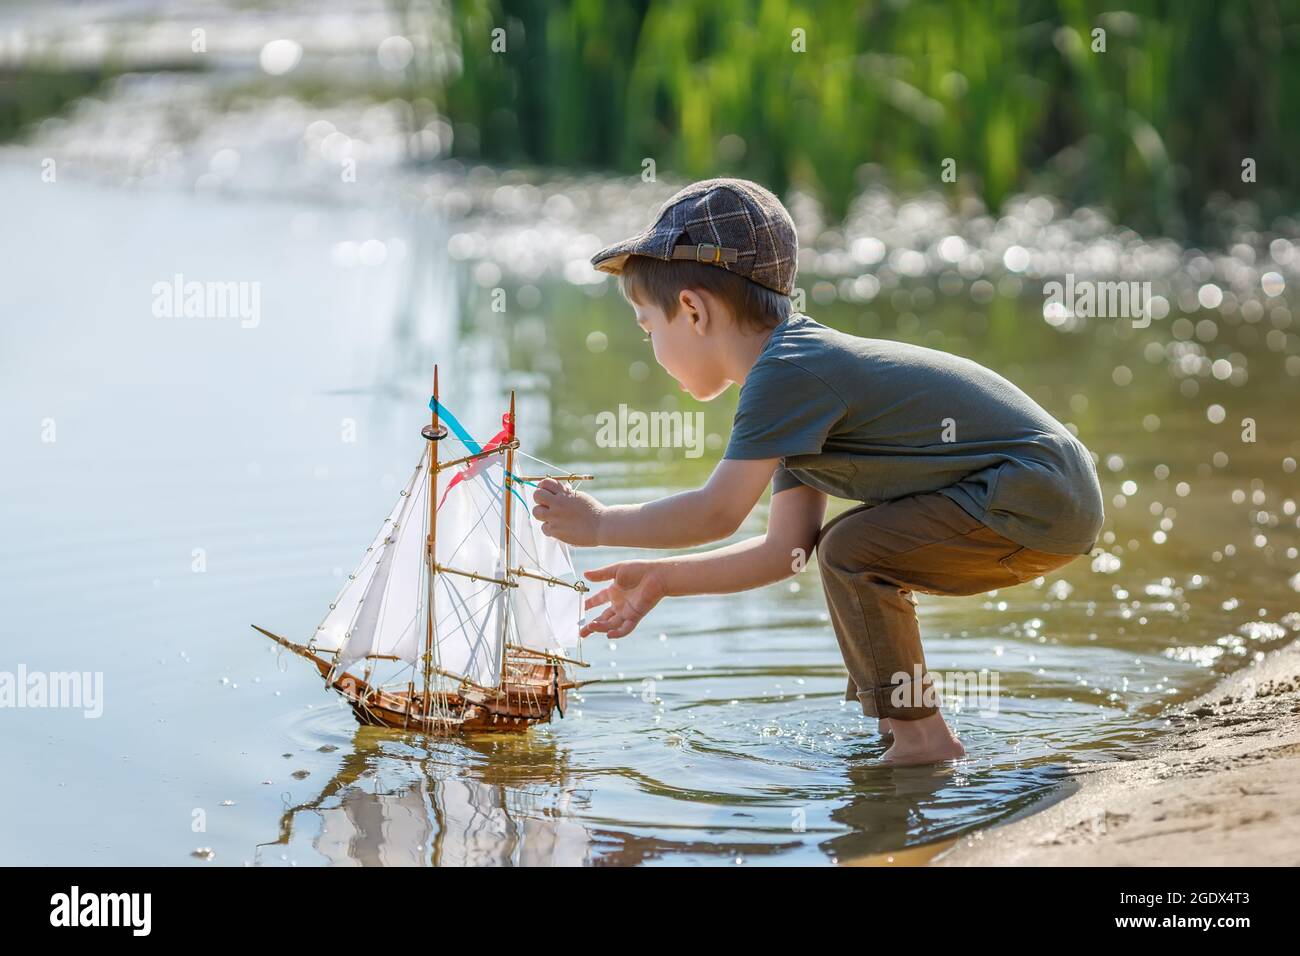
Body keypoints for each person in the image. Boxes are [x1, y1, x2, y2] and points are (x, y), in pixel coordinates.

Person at [531, 177, 1104, 766]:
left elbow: (717, 512)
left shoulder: (787, 375)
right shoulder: (793, 376)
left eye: (648, 327)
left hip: (1035, 490)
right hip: (1051, 494)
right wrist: (663, 579)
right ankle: (899, 726)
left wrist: (600, 524)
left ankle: (922, 740)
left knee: (852, 549)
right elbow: (786, 551)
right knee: (844, 550)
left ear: (693, 310)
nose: (650, 346)